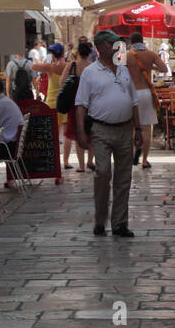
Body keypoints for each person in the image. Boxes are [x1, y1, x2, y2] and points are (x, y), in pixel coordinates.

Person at [75, 29, 142, 238]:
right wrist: (80, 132)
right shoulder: (90, 72)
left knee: (124, 177)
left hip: (124, 129)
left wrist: (138, 128)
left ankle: (120, 223)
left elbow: (134, 101)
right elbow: (80, 104)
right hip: (101, 129)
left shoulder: (123, 70)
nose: (117, 47)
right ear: (102, 47)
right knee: (103, 172)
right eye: (113, 44)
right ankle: (100, 219)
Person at [125, 32, 167, 170]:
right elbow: (164, 68)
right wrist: (150, 67)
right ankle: (144, 160)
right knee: (147, 128)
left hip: (132, 93)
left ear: (131, 41)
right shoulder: (151, 54)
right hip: (147, 92)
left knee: (133, 127)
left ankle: (133, 154)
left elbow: (118, 73)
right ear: (142, 41)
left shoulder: (127, 55)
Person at [63, 39, 93, 173]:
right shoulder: (93, 66)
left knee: (77, 132)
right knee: (91, 132)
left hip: (75, 103)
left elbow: (62, 81)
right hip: (91, 102)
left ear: (78, 52)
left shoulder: (72, 66)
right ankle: (90, 161)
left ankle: (81, 166)